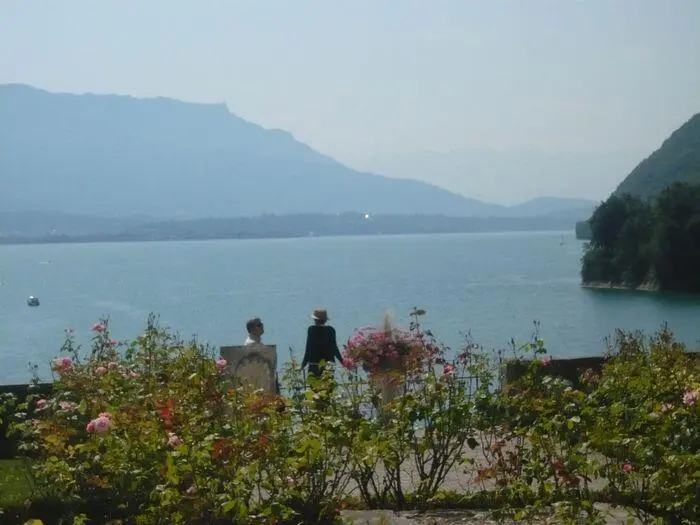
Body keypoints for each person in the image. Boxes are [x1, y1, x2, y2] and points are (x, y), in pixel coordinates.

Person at [301, 308, 343, 380]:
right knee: (328, 386)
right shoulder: (331, 330)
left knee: (314, 386)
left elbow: (308, 349)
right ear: (325, 320)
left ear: (315, 320)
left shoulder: (311, 330)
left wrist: (303, 365)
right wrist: (343, 362)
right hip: (328, 366)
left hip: (314, 365)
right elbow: (334, 349)